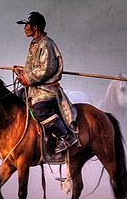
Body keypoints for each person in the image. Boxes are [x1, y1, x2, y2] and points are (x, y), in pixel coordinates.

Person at [12, 11, 78, 154]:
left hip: (46, 90)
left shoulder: (46, 44)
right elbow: (35, 68)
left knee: (40, 111)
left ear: (35, 27)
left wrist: (26, 78)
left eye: (27, 25)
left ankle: (65, 136)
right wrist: (22, 71)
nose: (25, 28)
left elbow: (45, 70)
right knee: (14, 99)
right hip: (35, 88)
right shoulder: (35, 43)